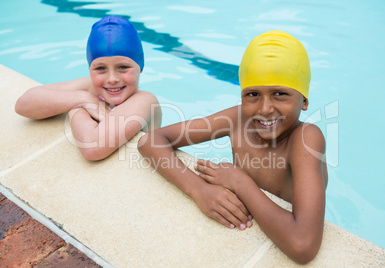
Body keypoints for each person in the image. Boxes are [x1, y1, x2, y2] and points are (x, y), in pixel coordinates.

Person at [138, 30, 328, 264]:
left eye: (280, 94)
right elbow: (151, 141)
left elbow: (303, 245)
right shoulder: (238, 119)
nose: (265, 108)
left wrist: (241, 183)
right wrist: (199, 190)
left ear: (305, 100)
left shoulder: (306, 139)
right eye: (253, 94)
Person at [15, 15, 161, 161]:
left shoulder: (145, 101)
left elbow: (93, 148)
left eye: (123, 67)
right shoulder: (90, 88)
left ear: (140, 68)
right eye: (100, 68)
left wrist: (75, 109)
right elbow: (23, 104)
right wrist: (82, 99)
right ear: (90, 69)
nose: (112, 79)